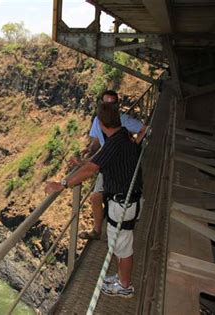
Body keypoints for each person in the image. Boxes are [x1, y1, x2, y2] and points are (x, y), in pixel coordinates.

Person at [45, 100, 142, 298]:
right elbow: (96, 162)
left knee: (123, 247)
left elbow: (91, 169)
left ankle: (124, 286)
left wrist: (62, 184)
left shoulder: (113, 144)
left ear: (100, 123)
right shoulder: (125, 136)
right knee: (120, 243)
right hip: (129, 199)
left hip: (122, 203)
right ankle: (120, 278)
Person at [73, 90, 146, 240]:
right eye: (106, 104)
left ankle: (121, 223)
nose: (109, 107)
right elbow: (97, 142)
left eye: (112, 104)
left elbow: (144, 129)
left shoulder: (123, 120)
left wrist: (135, 146)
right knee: (96, 197)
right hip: (106, 162)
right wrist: (89, 149)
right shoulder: (98, 120)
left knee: (120, 194)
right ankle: (97, 231)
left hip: (120, 162)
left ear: (117, 106)